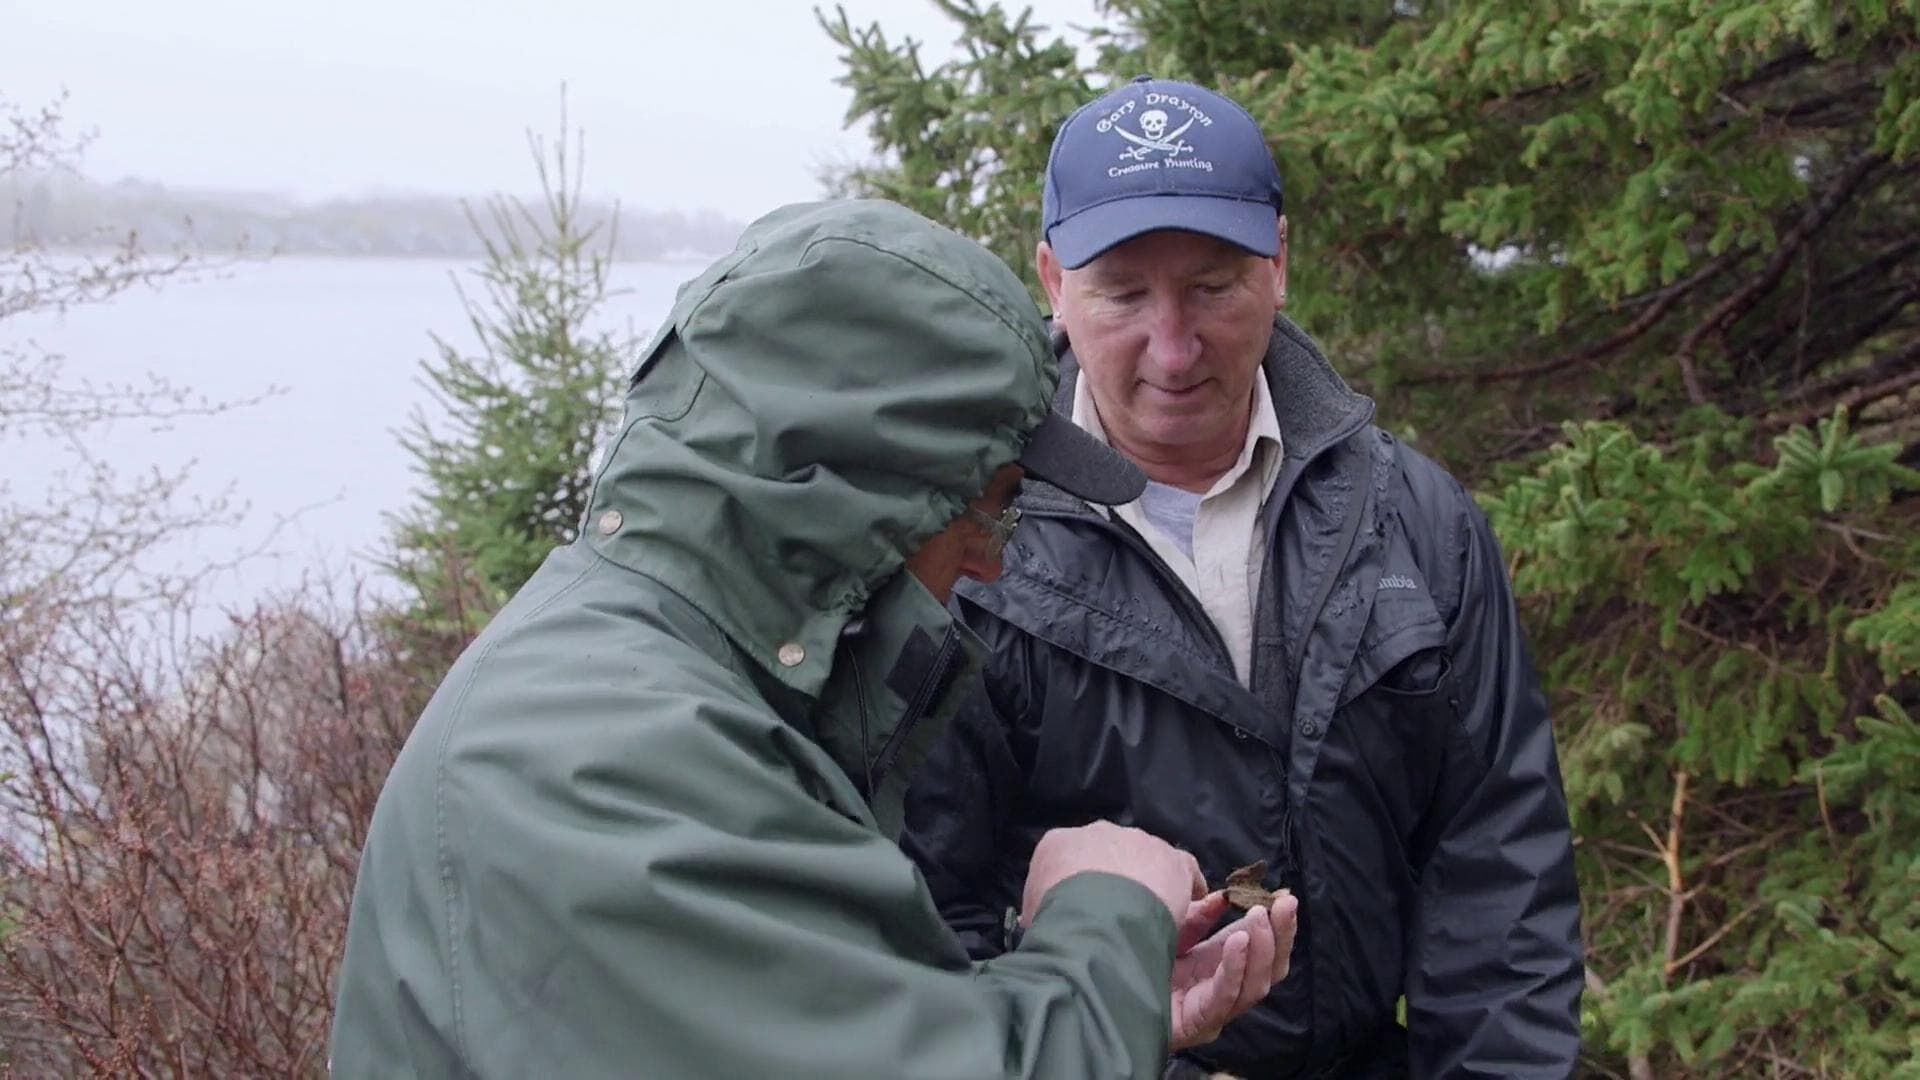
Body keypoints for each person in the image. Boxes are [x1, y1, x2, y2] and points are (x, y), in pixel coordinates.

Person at [328, 198, 1301, 1078]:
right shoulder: (609, 764)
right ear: (860, 496)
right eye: (990, 508)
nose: (989, 562)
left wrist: (1113, 1003)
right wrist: (1106, 911)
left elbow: (842, 1027)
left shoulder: (677, 685)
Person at [899, 77, 1585, 1078]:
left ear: (1279, 263)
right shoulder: (963, 549)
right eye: (1124, 294)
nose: (1174, 349)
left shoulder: (1415, 520)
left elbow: (1497, 871)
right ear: (1052, 281)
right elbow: (926, 929)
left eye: (1213, 287)